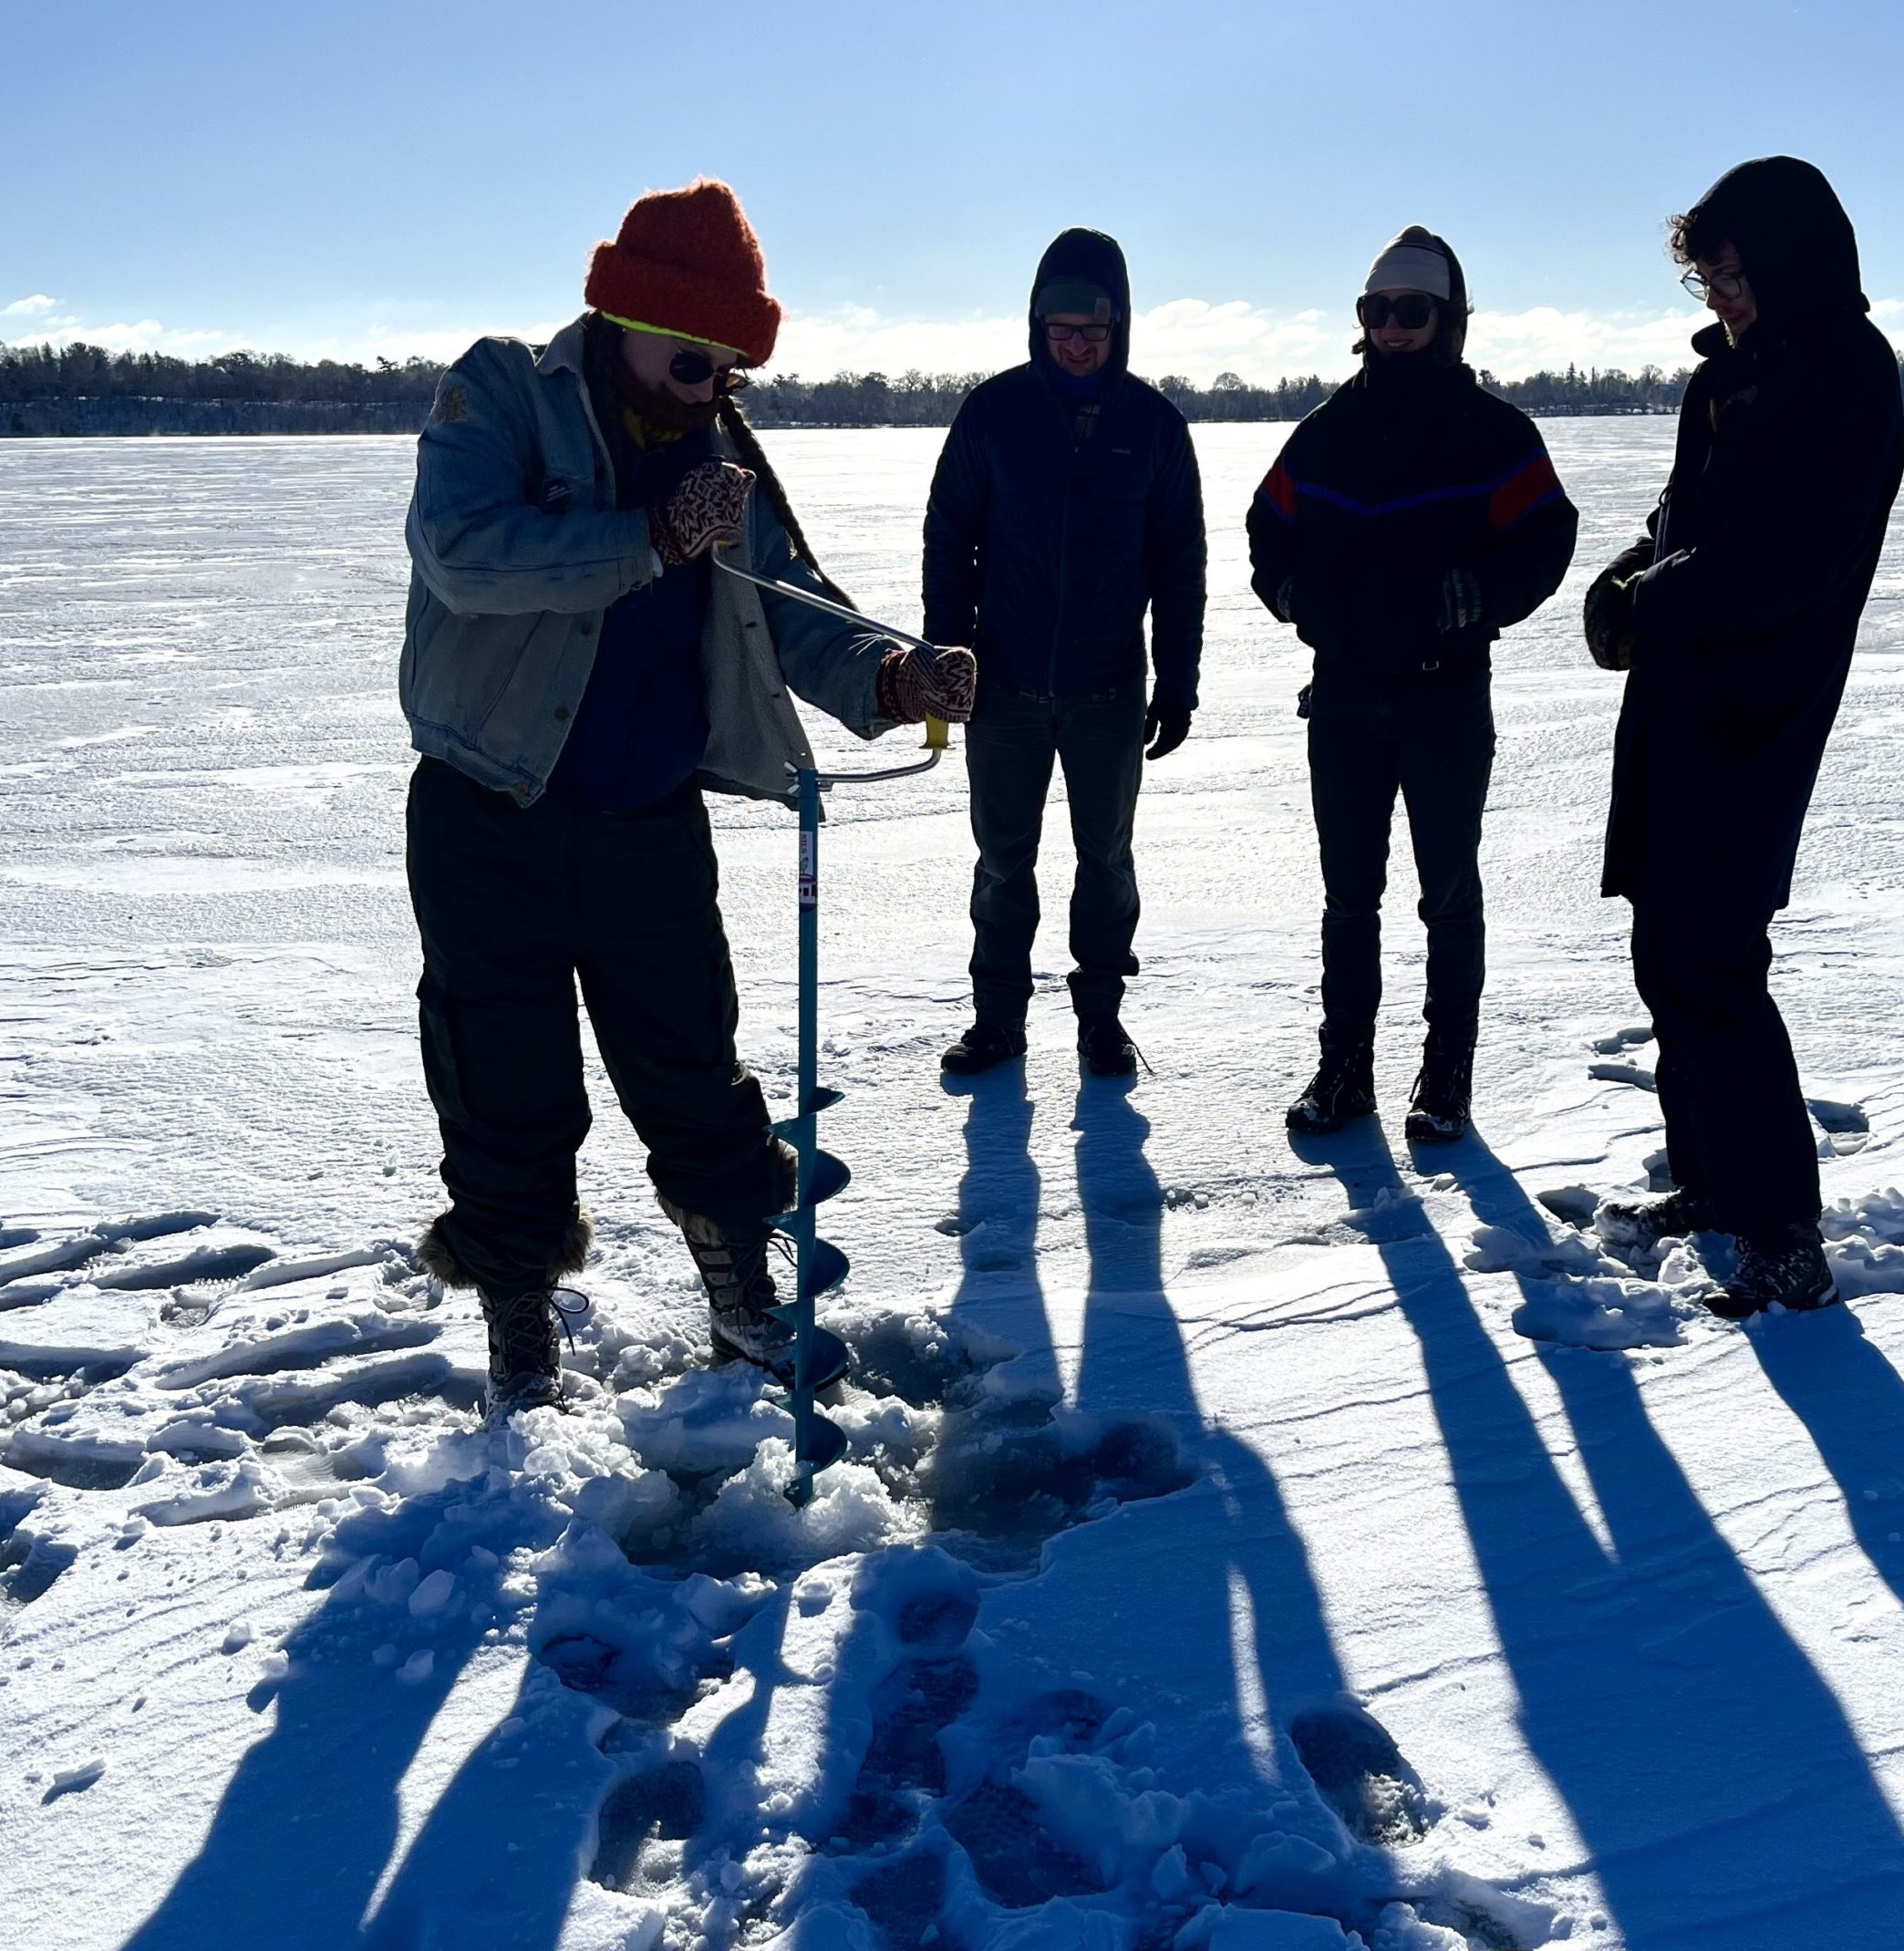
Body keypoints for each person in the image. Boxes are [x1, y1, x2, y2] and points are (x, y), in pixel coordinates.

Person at [398, 179, 976, 1410]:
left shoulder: (725, 461)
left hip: (646, 826)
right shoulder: (503, 390)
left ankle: (743, 1305)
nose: (706, 375)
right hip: (484, 815)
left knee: (694, 1079)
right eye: (687, 347)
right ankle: (520, 1335)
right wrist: (647, 542)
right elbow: (462, 554)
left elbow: (790, 608)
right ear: (621, 310)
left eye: (728, 359)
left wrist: (893, 673)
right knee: (504, 1086)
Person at [1581, 156, 1904, 1318]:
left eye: (1727, 272)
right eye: (1703, 276)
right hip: (1679, 701)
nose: (1714, 295)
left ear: (1786, 260)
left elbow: (1789, 562)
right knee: (1666, 954)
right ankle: (1713, 1182)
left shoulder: (1841, 376)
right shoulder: (1730, 380)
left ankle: (1782, 1235)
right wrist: (1629, 572)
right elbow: (1685, 522)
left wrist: (1650, 604)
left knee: (1716, 961)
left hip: (1757, 712)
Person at [1247, 227, 1577, 1141]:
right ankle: (1344, 1071)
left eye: (1411, 311)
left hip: (1444, 705)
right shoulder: (1324, 436)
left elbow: (1547, 536)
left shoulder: (1494, 434)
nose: (1393, 327)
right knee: (1349, 898)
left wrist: (1490, 595)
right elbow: (1266, 529)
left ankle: (1445, 1081)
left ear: (1447, 321)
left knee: (1447, 896)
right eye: (1377, 311)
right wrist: (1291, 592)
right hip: (1344, 703)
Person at [922, 228, 1206, 1079]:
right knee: (1003, 860)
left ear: (1119, 326)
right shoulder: (993, 414)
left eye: (1093, 330)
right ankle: (997, 1020)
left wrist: (1179, 680)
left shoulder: (1152, 426)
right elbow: (949, 538)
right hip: (1003, 686)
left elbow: (1179, 562)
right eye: (1061, 330)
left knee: (1106, 859)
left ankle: (1101, 1020)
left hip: (1108, 690)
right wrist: (949, 654)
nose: (1077, 346)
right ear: (1036, 326)